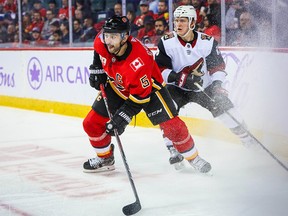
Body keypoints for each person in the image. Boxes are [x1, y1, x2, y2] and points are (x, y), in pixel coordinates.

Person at [82, 15, 211, 173]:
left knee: (173, 127)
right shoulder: (103, 40)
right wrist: (97, 68)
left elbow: (140, 97)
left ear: (125, 37)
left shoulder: (139, 61)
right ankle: (105, 158)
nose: (108, 40)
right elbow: (98, 50)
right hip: (118, 85)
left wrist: (123, 117)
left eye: (113, 36)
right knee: (91, 123)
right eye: (106, 35)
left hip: (150, 88)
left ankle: (194, 158)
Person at [155, 5, 256, 167]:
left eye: (182, 20)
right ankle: (172, 148)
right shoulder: (166, 43)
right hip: (177, 87)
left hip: (204, 87)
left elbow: (217, 68)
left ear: (192, 23)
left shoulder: (207, 42)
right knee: (166, 109)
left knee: (225, 109)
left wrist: (216, 86)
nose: (177, 24)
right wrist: (179, 78)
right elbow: (159, 69)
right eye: (176, 21)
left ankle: (247, 139)